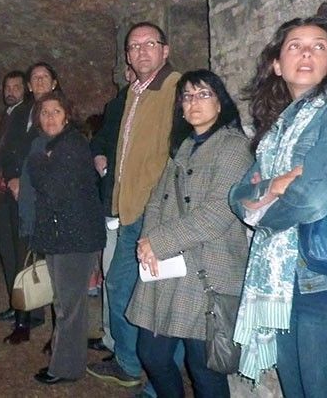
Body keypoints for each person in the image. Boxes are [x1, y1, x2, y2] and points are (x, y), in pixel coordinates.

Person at [229, 16, 327, 397]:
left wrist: (262, 207)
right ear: (277, 64)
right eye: (295, 45)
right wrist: (271, 190)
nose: (306, 52)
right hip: (285, 282)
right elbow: (237, 193)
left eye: (319, 46)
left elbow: (312, 198)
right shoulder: (278, 127)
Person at [127, 70, 252, 397]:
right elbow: (156, 199)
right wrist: (147, 241)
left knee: (204, 368)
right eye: (187, 96)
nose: (194, 102)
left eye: (203, 94)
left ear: (220, 102)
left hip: (207, 270)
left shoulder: (234, 147)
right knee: (152, 354)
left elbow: (218, 212)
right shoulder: (182, 147)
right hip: (167, 268)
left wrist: (159, 242)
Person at [87, 22, 180, 389]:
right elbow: (109, 140)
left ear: (165, 50)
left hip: (158, 212)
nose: (141, 52)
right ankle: (129, 362)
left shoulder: (178, 89)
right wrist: (101, 158)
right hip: (129, 211)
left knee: (160, 299)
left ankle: (161, 381)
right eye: (134, 46)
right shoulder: (130, 95)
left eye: (149, 44)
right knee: (122, 286)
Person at [27, 92, 106, 384]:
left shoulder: (71, 145)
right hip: (64, 235)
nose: (49, 117)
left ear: (67, 115)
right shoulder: (55, 145)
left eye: (55, 111)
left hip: (75, 237)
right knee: (64, 302)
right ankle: (65, 362)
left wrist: (37, 161)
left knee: (69, 306)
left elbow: (51, 186)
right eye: (44, 112)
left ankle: (66, 369)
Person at [0, 62, 60, 344]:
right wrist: (12, 177)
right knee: (22, 255)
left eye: (43, 77)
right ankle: (25, 316)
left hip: (47, 195)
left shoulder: (59, 111)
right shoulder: (22, 112)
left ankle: (60, 331)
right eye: (34, 78)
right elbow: (10, 149)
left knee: (53, 261)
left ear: (54, 82)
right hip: (20, 195)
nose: (38, 82)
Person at [88, 65, 134, 352]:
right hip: (113, 202)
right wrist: (100, 156)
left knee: (125, 280)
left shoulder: (161, 101)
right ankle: (111, 337)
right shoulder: (117, 105)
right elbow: (101, 140)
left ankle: (125, 344)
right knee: (110, 274)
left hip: (137, 204)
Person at [0, 70, 27, 321]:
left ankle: (26, 309)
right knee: (7, 251)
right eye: (7, 87)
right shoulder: (7, 115)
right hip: (1, 194)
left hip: (17, 192)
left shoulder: (27, 112)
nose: (10, 91)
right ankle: (16, 305)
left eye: (16, 86)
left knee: (19, 251)